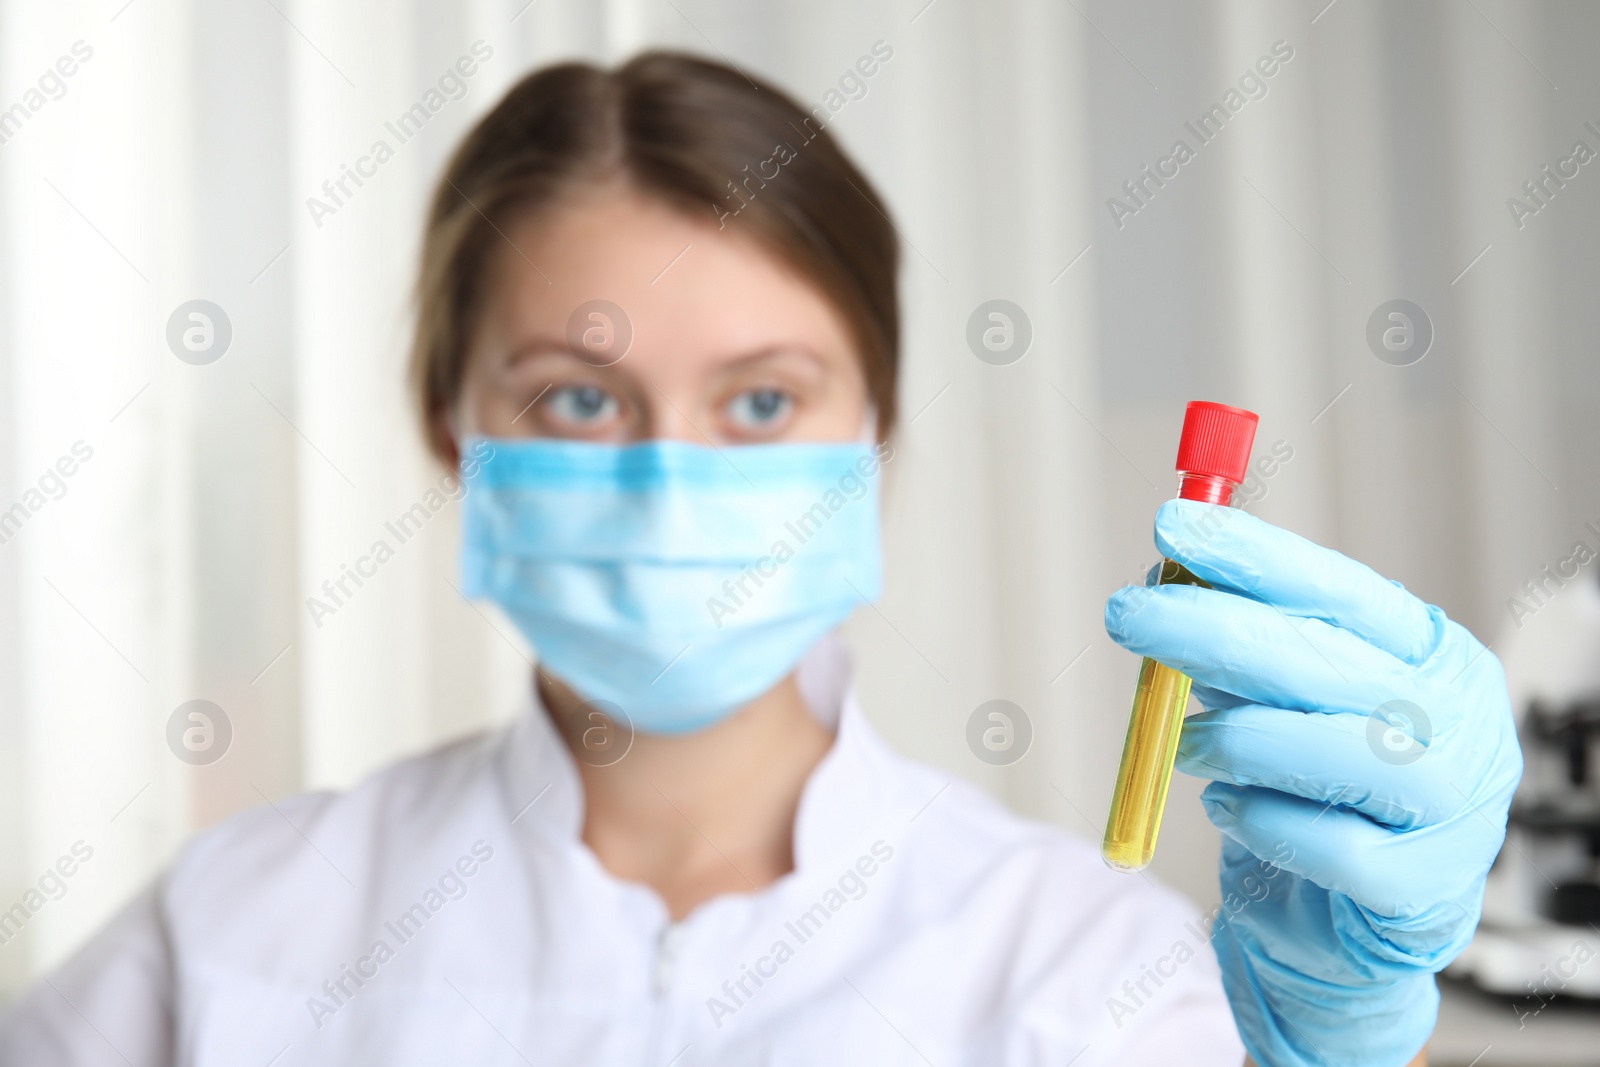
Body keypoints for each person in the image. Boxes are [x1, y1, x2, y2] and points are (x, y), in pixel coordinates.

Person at [0, 52, 1520, 1067]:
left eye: (763, 400)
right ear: (452, 431)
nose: (673, 474)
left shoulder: (1082, 965)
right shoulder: (227, 944)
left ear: (874, 433)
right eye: (578, 397)